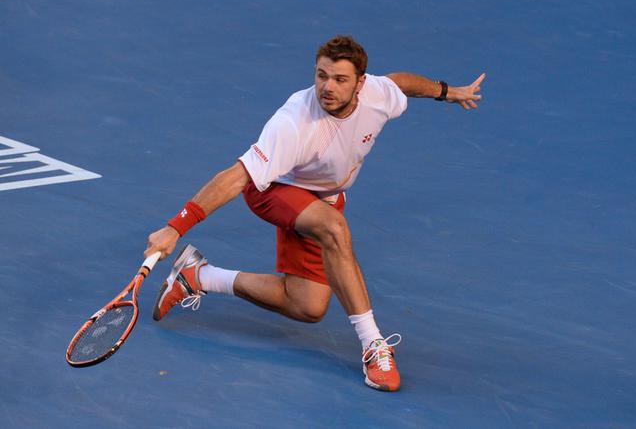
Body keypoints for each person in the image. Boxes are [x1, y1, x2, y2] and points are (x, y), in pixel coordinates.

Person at [144, 35, 485, 391]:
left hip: (322, 196)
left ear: (361, 84)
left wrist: (447, 91)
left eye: (339, 79)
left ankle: (199, 276)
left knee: (307, 305)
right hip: (271, 191)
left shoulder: (378, 95)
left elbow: (400, 82)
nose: (327, 87)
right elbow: (235, 177)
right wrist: (175, 227)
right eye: (321, 76)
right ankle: (373, 345)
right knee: (334, 228)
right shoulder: (294, 122)